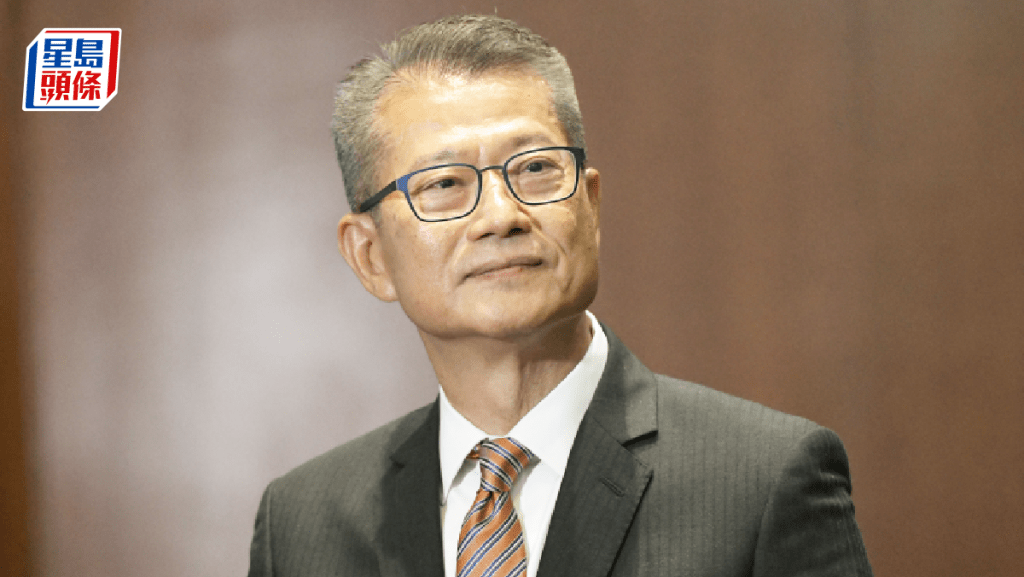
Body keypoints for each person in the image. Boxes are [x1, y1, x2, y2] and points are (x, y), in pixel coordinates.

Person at [247, 14, 873, 577]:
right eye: (443, 183)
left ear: (591, 206)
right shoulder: (302, 523)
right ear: (370, 256)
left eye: (536, 168)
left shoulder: (762, 479)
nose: (501, 216)